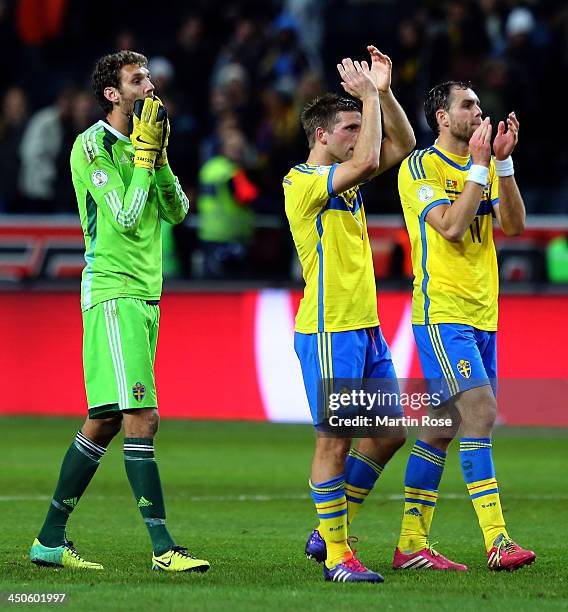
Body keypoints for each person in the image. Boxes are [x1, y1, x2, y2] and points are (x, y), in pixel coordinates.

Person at [29, 51, 209, 573]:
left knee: (103, 421)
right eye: (137, 80)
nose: (149, 86)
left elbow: (176, 211)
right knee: (141, 416)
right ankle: (163, 548)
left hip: (146, 294)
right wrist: (143, 159)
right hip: (112, 290)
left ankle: (48, 541)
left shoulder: (144, 145)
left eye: (148, 76)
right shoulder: (91, 146)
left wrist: (160, 155)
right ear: (113, 93)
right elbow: (127, 218)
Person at [284, 46, 415, 583]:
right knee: (334, 439)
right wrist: (366, 97)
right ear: (322, 135)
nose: (359, 134)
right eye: (350, 127)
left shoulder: (349, 178)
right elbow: (367, 158)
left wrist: (382, 92)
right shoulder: (303, 183)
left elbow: (403, 144)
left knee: (388, 433)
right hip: (328, 327)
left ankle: (328, 530)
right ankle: (338, 556)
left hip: (363, 325)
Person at [394, 81, 535, 571]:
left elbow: (514, 226)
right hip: (442, 312)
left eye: (479, 104)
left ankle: (411, 543)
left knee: (440, 428)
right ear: (441, 117)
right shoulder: (419, 167)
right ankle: (497, 541)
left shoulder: (486, 167)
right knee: (480, 413)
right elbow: (452, 227)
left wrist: (504, 164)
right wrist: (481, 167)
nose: (479, 112)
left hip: (484, 314)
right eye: (467, 105)